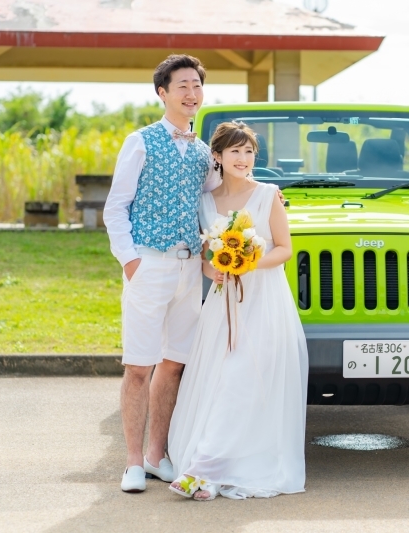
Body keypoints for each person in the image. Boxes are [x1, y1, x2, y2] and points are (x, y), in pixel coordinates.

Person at [166, 122, 308, 501]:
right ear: (217, 156)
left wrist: (248, 263)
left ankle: (200, 469)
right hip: (223, 302)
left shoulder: (267, 195)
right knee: (219, 382)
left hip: (264, 301)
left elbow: (283, 248)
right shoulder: (205, 202)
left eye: (249, 152)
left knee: (240, 381)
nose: (243, 159)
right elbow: (205, 255)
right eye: (235, 152)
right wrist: (214, 269)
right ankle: (210, 477)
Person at [103, 54, 221, 493]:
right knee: (139, 366)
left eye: (197, 86)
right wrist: (130, 261)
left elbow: (217, 202)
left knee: (174, 365)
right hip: (148, 264)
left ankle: (157, 455)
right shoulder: (141, 141)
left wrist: (267, 195)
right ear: (163, 93)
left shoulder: (204, 152)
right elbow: (116, 206)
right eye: (183, 86)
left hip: (190, 269)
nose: (192, 94)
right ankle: (132, 462)